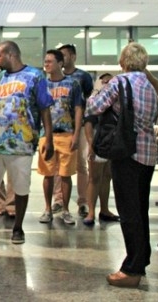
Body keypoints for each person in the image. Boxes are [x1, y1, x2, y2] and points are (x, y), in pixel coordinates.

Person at [86, 42, 158, 288]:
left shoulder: (119, 82)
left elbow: (94, 107)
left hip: (126, 152)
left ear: (123, 62)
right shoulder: (149, 86)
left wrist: (97, 90)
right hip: (148, 155)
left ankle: (132, 269)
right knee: (140, 211)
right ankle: (142, 259)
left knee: (128, 213)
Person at [0, 41, 54, 244]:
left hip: (22, 144)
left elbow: (45, 108)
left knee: (21, 187)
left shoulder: (35, 76)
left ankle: (18, 228)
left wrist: (48, 138)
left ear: (10, 54)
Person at [37, 49, 83, 225]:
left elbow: (79, 109)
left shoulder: (73, 84)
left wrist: (77, 134)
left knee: (66, 174)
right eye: (45, 61)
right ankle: (48, 209)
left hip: (66, 134)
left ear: (60, 63)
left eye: (50, 61)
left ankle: (65, 210)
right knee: (47, 174)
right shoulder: (42, 84)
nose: (46, 64)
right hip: (46, 135)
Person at [55, 44, 93, 217]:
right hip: (60, 128)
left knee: (81, 165)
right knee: (58, 166)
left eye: (64, 55)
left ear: (73, 56)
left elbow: (89, 102)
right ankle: (58, 199)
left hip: (80, 126)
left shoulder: (83, 77)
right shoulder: (55, 77)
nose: (62, 59)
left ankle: (83, 201)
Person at [82, 73, 120, 226]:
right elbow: (89, 122)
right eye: (104, 80)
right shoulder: (95, 100)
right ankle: (91, 211)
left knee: (107, 177)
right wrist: (91, 145)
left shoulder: (116, 101)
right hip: (98, 142)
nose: (107, 83)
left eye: (109, 81)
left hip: (112, 143)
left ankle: (104, 209)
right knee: (94, 177)